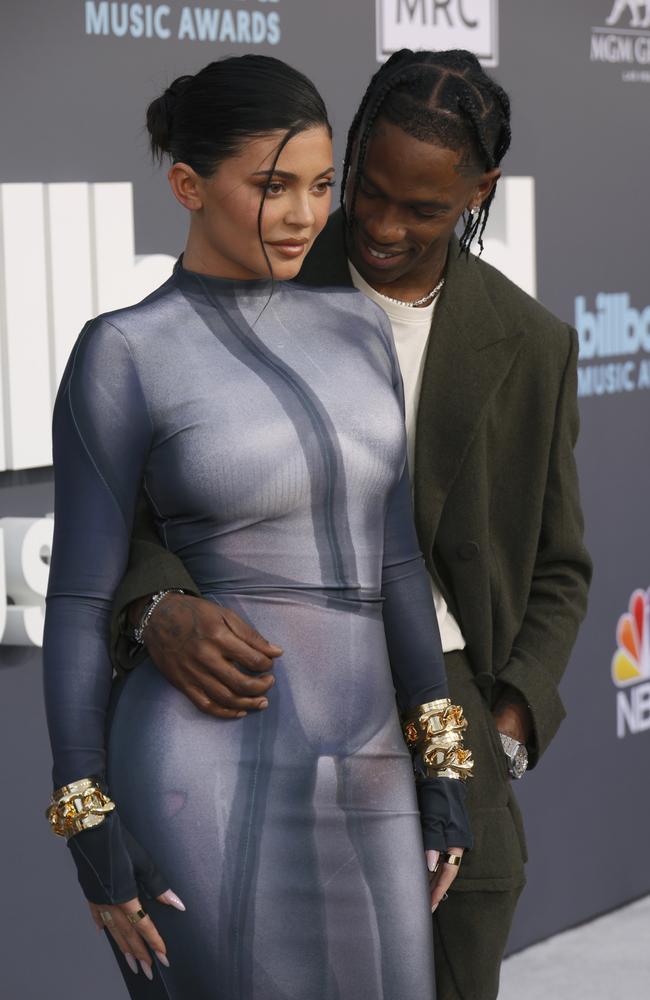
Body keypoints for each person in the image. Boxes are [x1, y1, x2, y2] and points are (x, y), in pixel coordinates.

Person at [111, 49, 593, 1000]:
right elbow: (128, 515)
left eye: (421, 209)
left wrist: (499, 732)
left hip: (447, 717)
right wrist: (157, 606)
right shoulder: (256, 276)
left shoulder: (532, 344)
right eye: (366, 190)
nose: (379, 225)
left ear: (480, 191)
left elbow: (560, 565)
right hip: (254, 704)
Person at [43, 54, 475, 1000]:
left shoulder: (359, 329)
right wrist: (86, 815)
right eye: (272, 186)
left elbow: (397, 560)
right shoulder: (124, 352)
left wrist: (441, 760)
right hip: (202, 765)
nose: (303, 215)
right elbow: (77, 599)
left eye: (322, 186)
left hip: (370, 767)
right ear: (188, 187)